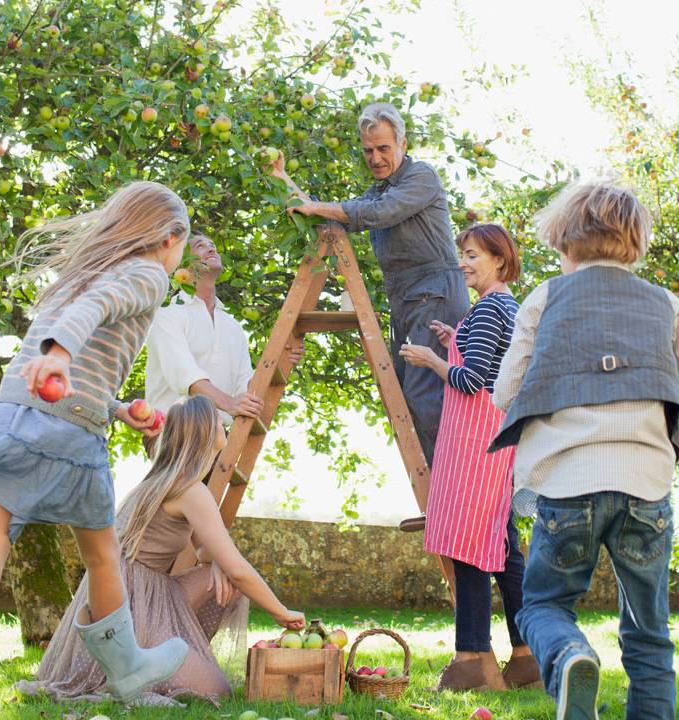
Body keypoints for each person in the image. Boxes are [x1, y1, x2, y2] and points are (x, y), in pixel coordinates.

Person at [0, 182, 192, 703]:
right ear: (169, 237)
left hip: (16, 423)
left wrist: (119, 408)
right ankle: (128, 668)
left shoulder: (80, 279)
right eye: (182, 248)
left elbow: (79, 359)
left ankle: (127, 667)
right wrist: (61, 355)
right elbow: (93, 313)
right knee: (105, 556)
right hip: (65, 434)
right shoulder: (147, 274)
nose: (177, 261)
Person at [490, 183, 678, 720]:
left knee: (544, 606)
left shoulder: (546, 297)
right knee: (650, 634)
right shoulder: (666, 304)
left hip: (568, 483)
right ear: (635, 241)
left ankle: (570, 655)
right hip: (645, 484)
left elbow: (506, 393)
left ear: (565, 239)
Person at [18, 395, 305, 705]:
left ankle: (177, 654)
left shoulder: (169, 481)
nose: (225, 425)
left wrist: (219, 563)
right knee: (216, 689)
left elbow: (208, 552)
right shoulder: (189, 489)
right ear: (207, 433)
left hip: (149, 590)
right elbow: (239, 568)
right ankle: (150, 669)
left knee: (222, 578)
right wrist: (281, 612)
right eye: (219, 421)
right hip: (132, 601)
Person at [271, 102, 469, 474]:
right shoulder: (375, 191)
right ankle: (442, 485)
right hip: (407, 301)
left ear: (402, 143)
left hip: (435, 294)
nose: (375, 157)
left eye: (383, 148)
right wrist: (284, 180)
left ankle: (457, 482)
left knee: (426, 395)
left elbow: (376, 214)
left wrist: (316, 208)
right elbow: (331, 213)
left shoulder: (421, 177)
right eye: (367, 150)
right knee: (406, 395)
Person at [399, 223, 539, 691]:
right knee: (500, 550)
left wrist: (430, 360)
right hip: (498, 445)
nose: (464, 262)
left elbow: (470, 381)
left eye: (473, 254)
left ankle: (472, 662)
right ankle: (526, 657)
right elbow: (490, 366)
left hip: (473, 451)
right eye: (463, 253)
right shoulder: (508, 308)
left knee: (468, 548)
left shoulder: (489, 311)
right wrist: (451, 341)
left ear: (500, 260)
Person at [145, 232, 304, 442]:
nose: (212, 249)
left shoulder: (232, 327)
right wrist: (230, 403)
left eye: (213, 245)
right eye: (201, 246)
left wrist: (280, 364)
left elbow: (244, 387)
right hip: (172, 431)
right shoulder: (167, 315)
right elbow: (185, 376)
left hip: (217, 436)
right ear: (181, 264)